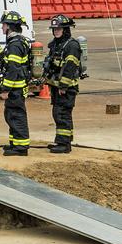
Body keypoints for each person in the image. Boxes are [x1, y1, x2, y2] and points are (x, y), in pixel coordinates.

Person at [0, 10, 32, 157]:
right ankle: (15, 143)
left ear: (9, 26)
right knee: (12, 115)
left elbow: (13, 69)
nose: (2, 28)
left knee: (16, 116)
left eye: (3, 25)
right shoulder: (18, 41)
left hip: (15, 89)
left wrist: (6, 89)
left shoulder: (15, 45)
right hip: (17, 88)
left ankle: (21, 147)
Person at [45, 14, 83, 154]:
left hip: (66, 88)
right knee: (58, 113)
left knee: (62, 114)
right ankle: (63, 139)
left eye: (59, 29)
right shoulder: (56, 44)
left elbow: (70, 67)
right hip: (56, 86)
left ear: (66, 29)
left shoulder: (71, 46)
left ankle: (64, 144)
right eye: (54, 29)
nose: (56, 31)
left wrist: (63, 86)